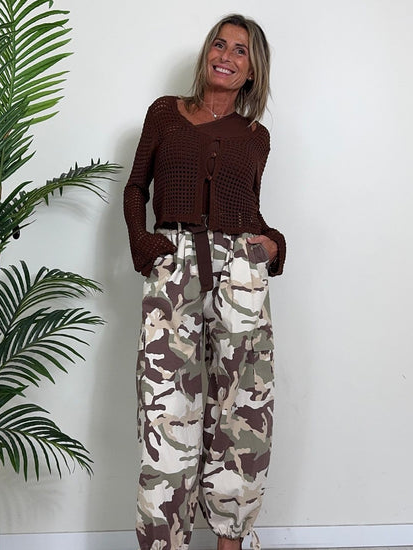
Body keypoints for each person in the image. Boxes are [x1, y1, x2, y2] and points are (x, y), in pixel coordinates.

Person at [123, 13, 286, 550]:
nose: (226, 55)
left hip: (240, 275)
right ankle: (164, 541)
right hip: (174, 269)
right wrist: (143, 242)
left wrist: (274, 245)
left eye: (241, 51)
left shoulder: (256, 137)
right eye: (220, 44)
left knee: (243, 409)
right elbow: (135, 188)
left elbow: (249, 212)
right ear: (206, 54)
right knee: (165, 410)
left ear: (251, 71)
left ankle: (230, 539)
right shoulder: (165, 114)